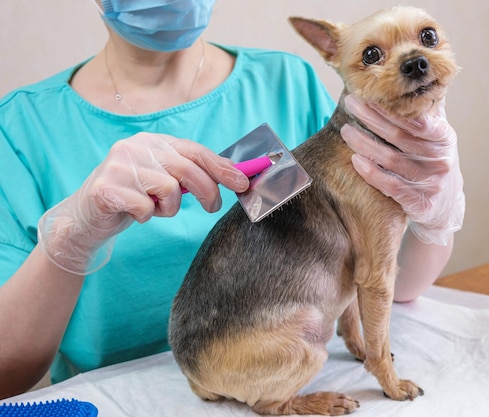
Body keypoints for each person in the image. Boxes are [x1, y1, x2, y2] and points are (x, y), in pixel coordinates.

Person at [0, 0, 464, 399]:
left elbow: (388, 284)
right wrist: (69, 239)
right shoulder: (22, 127)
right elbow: (7, 375)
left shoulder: (285, 79)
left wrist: (435, 215)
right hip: (123, 400)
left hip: (299, 363)